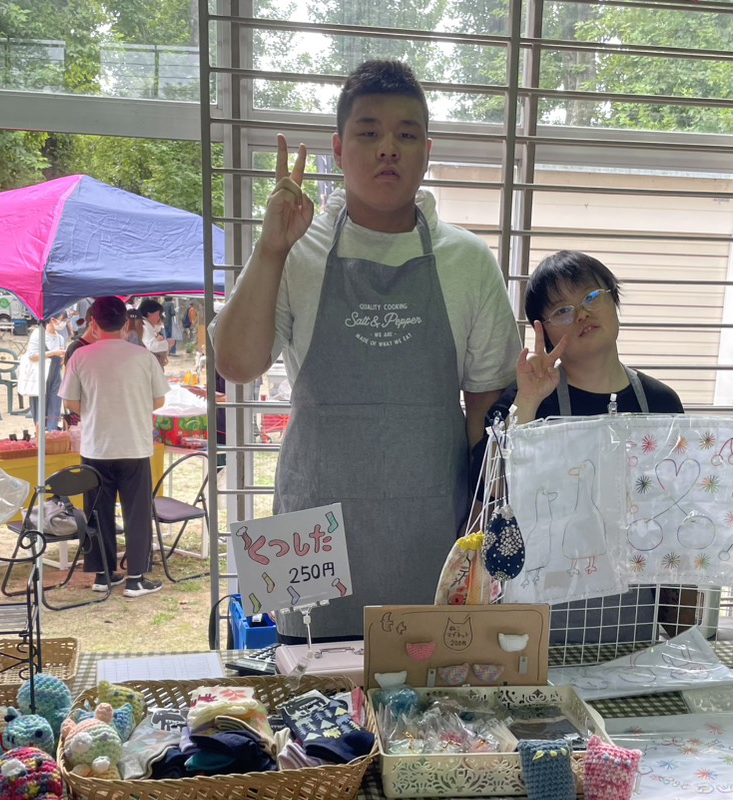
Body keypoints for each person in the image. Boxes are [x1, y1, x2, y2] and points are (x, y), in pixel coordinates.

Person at [212, 58, 520, 641]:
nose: (388, 149)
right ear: (337, 147)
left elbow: (487, 405)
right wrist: (270, 248)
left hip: (433, 522)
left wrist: (484, 518)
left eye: (407, 134)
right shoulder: (295, 250)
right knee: (308, 675)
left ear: (426, 152)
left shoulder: (468, 260)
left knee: (428, 676)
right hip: (310, 525)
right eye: (369, 131)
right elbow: (236, 364)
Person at [478, 251, 690, 644]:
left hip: (633, 615)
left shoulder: (661, 402)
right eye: (563, 310)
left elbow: (679, 509)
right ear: (543, 331)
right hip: (538, 615)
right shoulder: (528, 397)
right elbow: (493, 489)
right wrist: (528, 400)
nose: (582, 314)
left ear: (615, 301)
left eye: (592, 297)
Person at [59, 296, 167, 598]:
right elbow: (159, 400)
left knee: (97, 511)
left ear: (93, 323)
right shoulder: (143, 356)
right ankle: (136, 577)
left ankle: (103, 574)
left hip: (96, 447)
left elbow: (70, 402)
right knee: (137, 512)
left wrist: (96, 409)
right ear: (126, 324)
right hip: (134, 445)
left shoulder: (81, 356)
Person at [16, 314, 68, 431]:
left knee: (55, 404)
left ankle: (52, 432)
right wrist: (53, 353)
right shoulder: (38, 334)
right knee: (39, 405)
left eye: (65, 320)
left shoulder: (60, 338)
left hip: (56, 376)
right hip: (40, 376)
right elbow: (32, 356)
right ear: (52, 319)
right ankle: (40, 433)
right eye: (62, 319)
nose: (63, 323)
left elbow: (62, 360)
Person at [137, 299, 169, 368]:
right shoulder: (144, 326)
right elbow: (152, 346)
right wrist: (168, 343)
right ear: (149, 313)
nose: (159, 317)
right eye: (158, 314)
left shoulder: (144, 324)